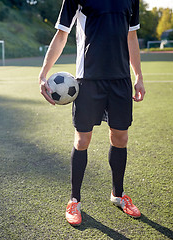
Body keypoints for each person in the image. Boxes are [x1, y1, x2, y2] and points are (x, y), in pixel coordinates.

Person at [38, 0, 146, 226]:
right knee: (82, 140)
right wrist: (43, 73)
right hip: (88, 81)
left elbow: (131, 37)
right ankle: (74, 200)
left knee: (120, 137)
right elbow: (61, 34)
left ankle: (118, 195)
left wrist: (138, 76)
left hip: (120, 81)